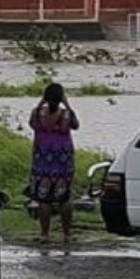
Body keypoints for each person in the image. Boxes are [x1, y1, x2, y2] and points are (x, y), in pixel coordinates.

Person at [28, 82, 80, 245]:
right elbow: (76, 125)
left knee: (44, 199)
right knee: (64, 197)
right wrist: (67, 103)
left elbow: (31, 124)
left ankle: (45, 234)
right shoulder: (66, 115)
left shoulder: (37, 114)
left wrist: (40, 103)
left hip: (42, 161)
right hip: (63, 161)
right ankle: (67, 233)